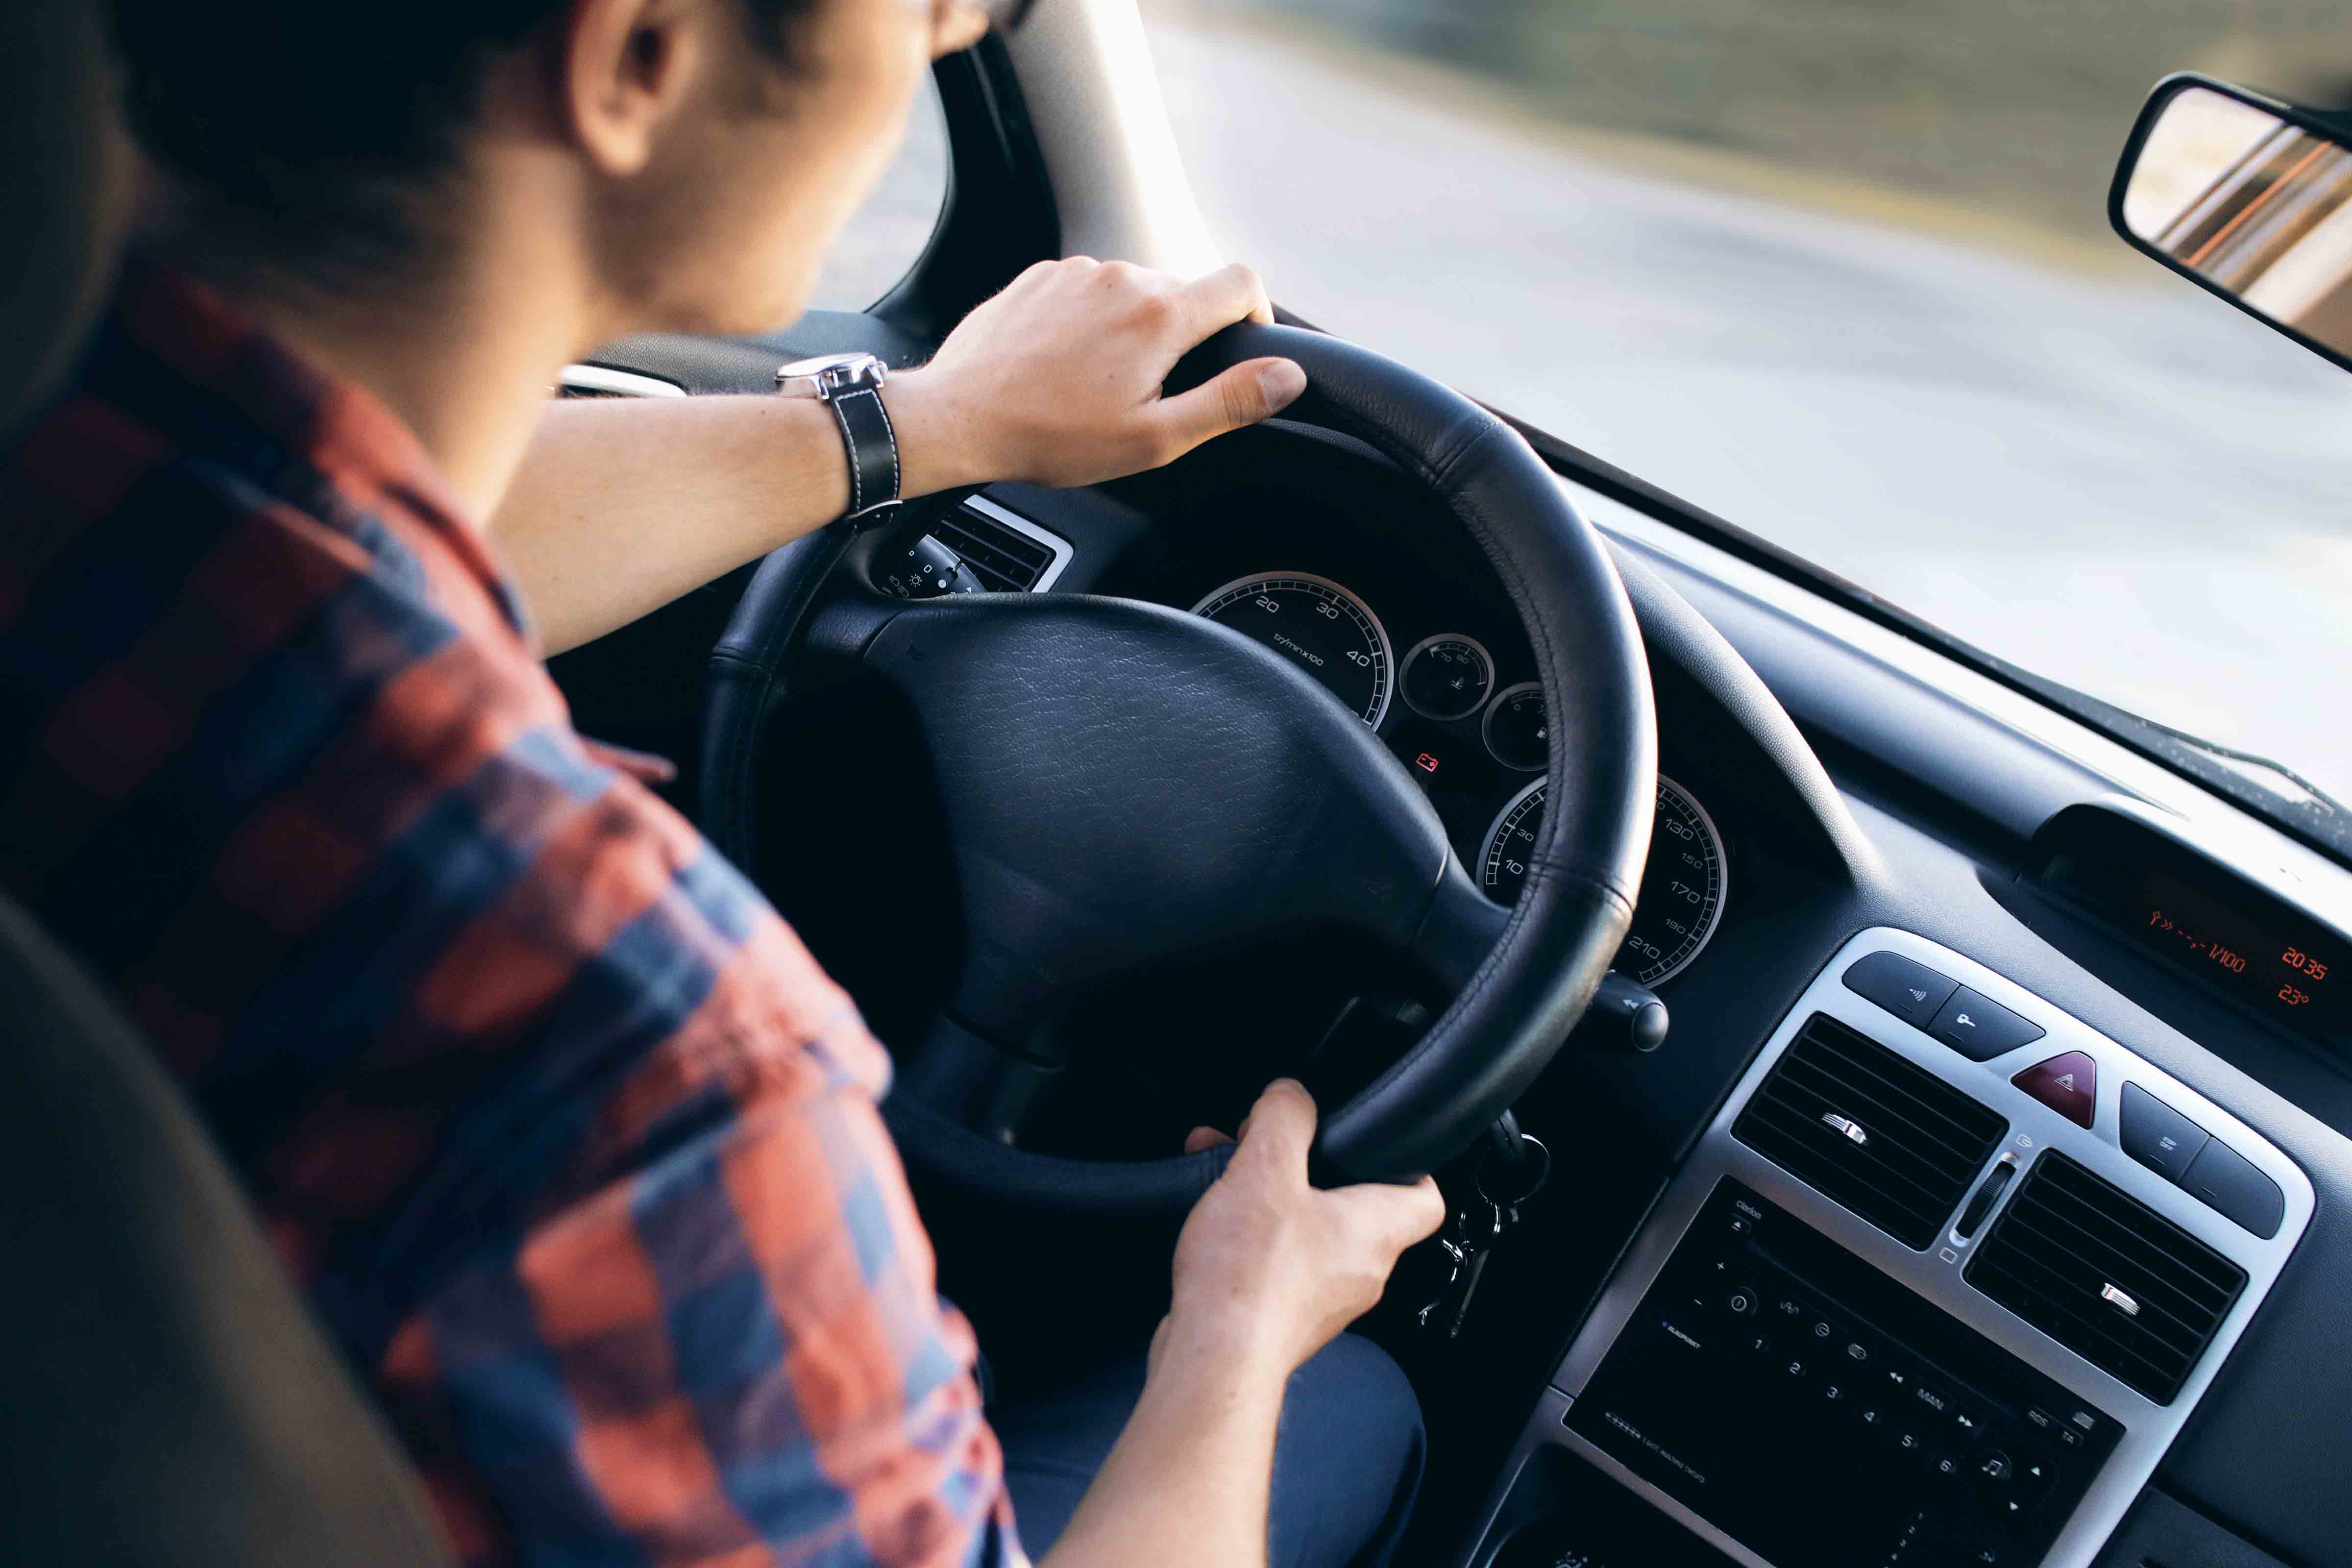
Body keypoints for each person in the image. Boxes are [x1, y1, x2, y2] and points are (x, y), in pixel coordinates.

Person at [0, 0, 1449, 1565]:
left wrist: (929, 424)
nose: (950, 32)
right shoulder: (635, 1065)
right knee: (1346, 1406)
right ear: (637, 56)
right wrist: (1236, 1326)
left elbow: (378, 527)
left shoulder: (79, 468)